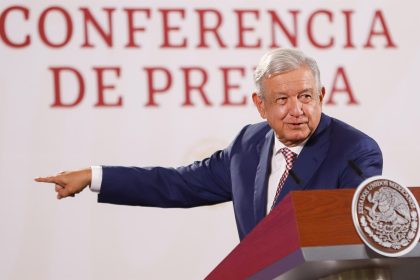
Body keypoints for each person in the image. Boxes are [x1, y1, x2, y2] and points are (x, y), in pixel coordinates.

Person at [35, 48, 383, 240]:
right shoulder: (249, 143)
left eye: (306, 96)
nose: (296, 110)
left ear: (322, 96)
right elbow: (179, 184)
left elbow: (354, 234)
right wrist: (94, 176)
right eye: (282, 100)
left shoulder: (354, 151)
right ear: (260, 105)